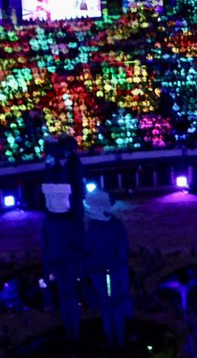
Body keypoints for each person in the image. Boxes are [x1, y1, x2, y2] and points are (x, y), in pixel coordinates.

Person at [40, 134, 85, 344]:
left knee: (67, 293)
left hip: (66, 217)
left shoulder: (71, 163)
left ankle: (71, 329)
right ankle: (71, 329)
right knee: (67, 294)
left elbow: (77, 186)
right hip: (61, 221)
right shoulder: (54, 164)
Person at [84, 190, 132, 350]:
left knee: (106, 306)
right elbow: (123, 251)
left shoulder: (94, 227)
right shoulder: (117, 226)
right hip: (115, 270)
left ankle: (112, 341)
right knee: (116, 305)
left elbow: (87, 249)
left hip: (99, 271)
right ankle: (120, 341)